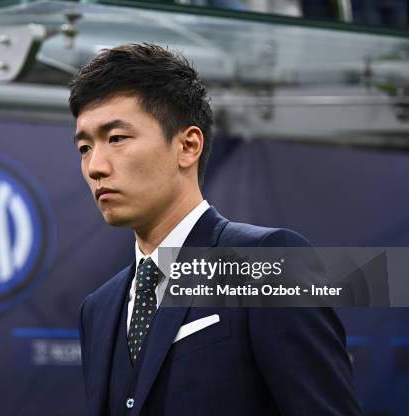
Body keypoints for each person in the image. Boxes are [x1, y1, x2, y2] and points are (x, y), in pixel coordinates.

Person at [69, 43, 362, 415]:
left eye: (116, 138)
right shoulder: (98, 309)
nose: (95, 166)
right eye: (83, 146)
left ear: (188, 146)